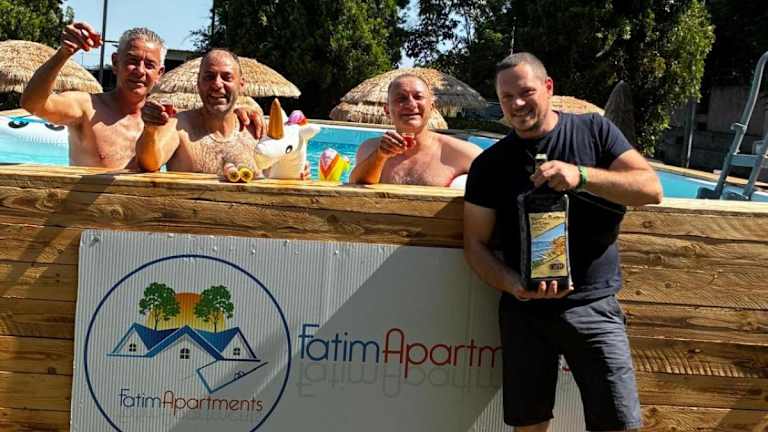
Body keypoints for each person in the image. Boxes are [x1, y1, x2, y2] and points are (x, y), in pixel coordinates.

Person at [463, 52, 662, 432]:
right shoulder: (490, 165)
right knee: (529, 425)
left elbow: (650, 189)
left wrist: (582, 176)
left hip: (593, 305)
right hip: (524, 310)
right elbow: (475, 245)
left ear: (548, 87)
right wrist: (513, 284)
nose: (517, 104)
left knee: (619, 424)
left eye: (526, 92)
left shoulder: (594, 131)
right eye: (507, 97)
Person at [136, 49, 305, 179]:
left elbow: (279, 174)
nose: (217, 84)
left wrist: (297, 171)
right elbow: (149, 163)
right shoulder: (179, 126)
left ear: (241, 84)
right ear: (198, 84)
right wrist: (150, 130)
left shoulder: (257, 130)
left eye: (227, 77)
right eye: (209, 77)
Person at [21, 23, 166, 169]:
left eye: (149, 65)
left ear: (159, 74)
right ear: (115, 63)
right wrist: (64, 53)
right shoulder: (86, 108)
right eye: (132, 61)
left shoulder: (162, 121)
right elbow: (32, 104)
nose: (140, 71)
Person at [349, 74, 481, 186]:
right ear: (387, 110)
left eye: (418, 97)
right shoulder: (370, 148)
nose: (411, 104)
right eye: (401, 98)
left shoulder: (461, 153)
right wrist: (380, 156)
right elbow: (354, 185)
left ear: (432, 107)